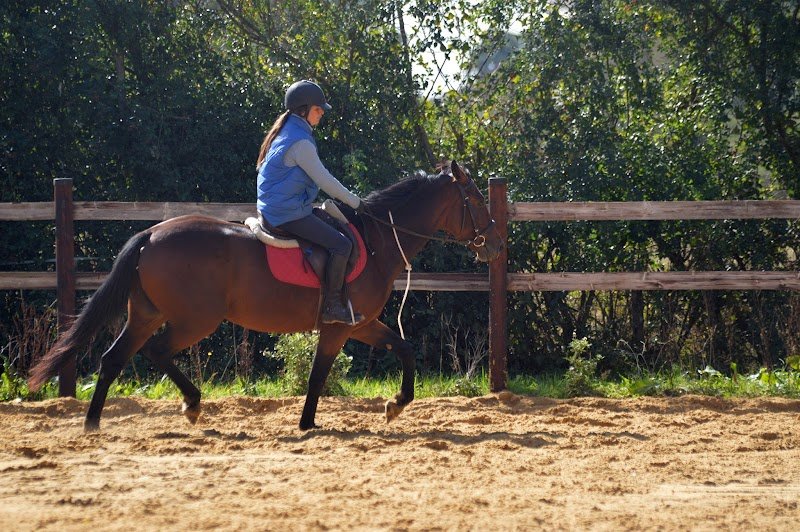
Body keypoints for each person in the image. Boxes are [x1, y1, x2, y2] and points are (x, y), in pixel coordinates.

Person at [257, 80, 365, 325]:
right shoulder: (300, 142)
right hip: (287, 212)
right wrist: (356, 203)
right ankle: (332, 307)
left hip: (282, 207)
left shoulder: (288, 133)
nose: (322, 113)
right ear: (303, 110)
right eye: (318, 109)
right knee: (341, 245)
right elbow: (325, 181)